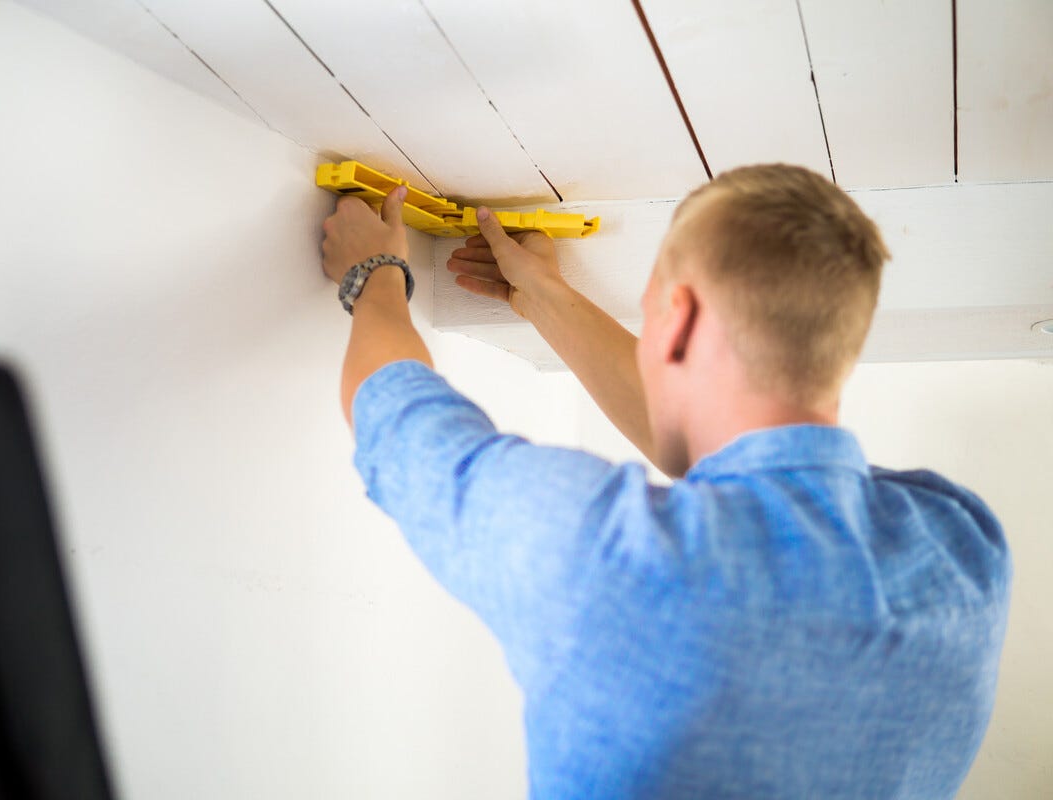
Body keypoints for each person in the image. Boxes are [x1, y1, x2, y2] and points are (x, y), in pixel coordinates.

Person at [319, 164, 1011, 799]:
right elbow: (734, 462)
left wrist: (374, 271)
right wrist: (547, 298)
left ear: (677, 321)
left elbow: (398, 419)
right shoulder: (964, 544)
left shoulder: (605, 555)